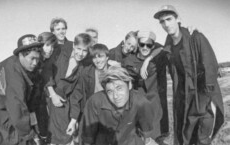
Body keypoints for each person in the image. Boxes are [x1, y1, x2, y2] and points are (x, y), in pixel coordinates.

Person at [154, 5, 224, 145]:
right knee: (184, 137)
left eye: (169, 19)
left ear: (178, 19)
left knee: (202, 139)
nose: (166, 24)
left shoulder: (195, 37)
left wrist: (205, 101)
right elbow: (157, 53)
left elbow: (211, 67)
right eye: (162, 21)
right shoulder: (168, 46)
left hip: (202, 98)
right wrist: (147, 61)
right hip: (184, 100)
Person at [0, 34, 43, 145]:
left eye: (37, 59)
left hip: (8, 111)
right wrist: (30, 135)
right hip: (1, 114)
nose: (35, 63)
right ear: (21, 55)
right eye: (32, 59)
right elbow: (17, 107)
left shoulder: (21, 65)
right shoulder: (14, 74)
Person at [81, 66, 157, 145]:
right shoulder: (94, 102)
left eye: (119, 88)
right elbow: (88, 137)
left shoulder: (141, 102)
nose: (115, 96)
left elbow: (146, 135)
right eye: (110, 91)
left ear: (130, 85)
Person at [122, 31, 169, 145]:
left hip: (156, 101)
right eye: (142, 44)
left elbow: (169, 47)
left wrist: (148, 60)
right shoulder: (129, 60)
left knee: (157, 136)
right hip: (140, 102)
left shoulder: (159, 57)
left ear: (153, 46)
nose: (145, 47)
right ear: (138, 44)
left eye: (148, 45)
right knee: (141, 136)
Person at [48, 33, 92, 145]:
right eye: (78, 49)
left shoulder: (82, 68)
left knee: (65, 133)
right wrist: (53, 95)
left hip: (62, 103)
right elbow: (46, 73)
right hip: (47, 95)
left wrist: (73, 120)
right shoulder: (60, 54)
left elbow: (76, 95)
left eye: (85, 51)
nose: (81, 53)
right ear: (73, 46)